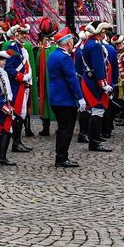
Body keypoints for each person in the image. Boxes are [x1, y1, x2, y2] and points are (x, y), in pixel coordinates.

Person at [46, 28, 82, 168]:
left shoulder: (53, 55)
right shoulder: (64, 57)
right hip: (65, 99)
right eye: (72, 41)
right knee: (66, 129)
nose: (73, 44)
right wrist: (80, 97)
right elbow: (71, 79)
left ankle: (61, 156)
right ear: (67, 43)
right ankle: (61, 157)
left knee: (62, 128)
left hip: (56, 97)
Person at [76, 21, 113, 153]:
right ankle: (94, 141)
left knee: (94, 111)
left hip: (89, 80)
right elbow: (99, 67)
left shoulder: (88, 43)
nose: (105, 34)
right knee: (97, 110)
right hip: (94, 83)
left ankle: (93, 139)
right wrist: (104, 85)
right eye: (103, 31)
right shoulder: (95, 45)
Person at [3, 25, 33, 154]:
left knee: (22, 113)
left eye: (25, 33)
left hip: (22, 85)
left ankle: (18, 141)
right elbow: (8, 68)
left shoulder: (21, 48)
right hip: (16, 85)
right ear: (15, 34)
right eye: (21, 34)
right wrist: (22, 77)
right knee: (18, 113)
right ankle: (16, 142)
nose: (24, 36)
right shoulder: (12, 48)